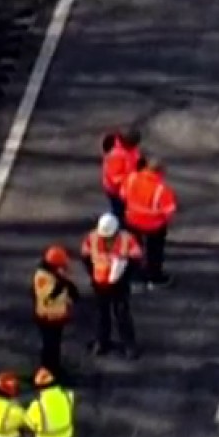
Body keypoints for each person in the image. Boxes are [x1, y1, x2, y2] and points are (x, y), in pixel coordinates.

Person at [80, 213, 141, 358]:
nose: (106, 239)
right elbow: (86, 257)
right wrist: (94, 276)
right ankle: (102, 342)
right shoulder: (93, 238)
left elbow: (135, 260)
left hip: (119, 284)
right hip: (100, 284)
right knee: (102, 314)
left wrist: (123, 278)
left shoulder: (127, 239)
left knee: (122, 314)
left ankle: (129, 345)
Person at [119, 156, 179, 289]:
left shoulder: (131, 179)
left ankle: (134, 277)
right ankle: (154, 278)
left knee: (133, 250)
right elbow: (169, 212)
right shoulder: (162, 190)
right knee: (154, 252)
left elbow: (123, 195)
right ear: (160, 171)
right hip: (154, 226)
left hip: (132, 221)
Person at [32, 245, 79, 372]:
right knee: (49, 346)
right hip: (47, 318)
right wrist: (62, 283)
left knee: (55, 346)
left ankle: (55, 368)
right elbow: (49, 295)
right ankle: (47, 370)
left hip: (57, 318)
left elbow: (65, 294)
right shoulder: (42, 277)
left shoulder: (55, 274)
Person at [101, 129, 142, 220]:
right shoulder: (115, 155)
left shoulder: (130, 149)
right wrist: (133, 178)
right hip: (116, 191)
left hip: (127, 188)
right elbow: (115, 179)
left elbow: (135, 158)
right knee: (118, 211)